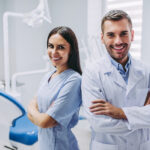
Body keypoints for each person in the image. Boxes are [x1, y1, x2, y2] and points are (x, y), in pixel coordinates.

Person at [82, 10, 150, 150]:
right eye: (111, 35)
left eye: (123, 33)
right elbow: (98, 123)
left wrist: (120, 112)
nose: (118, 41)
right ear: (102, 38)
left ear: (132, 35)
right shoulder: (92, 73)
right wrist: (142, 118)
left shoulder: (146, 71)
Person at [27, 26, 82, 150]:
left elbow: (45, 122)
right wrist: (36, 113)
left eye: (61, 47)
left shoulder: (74, 80)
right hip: (44, 144)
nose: (54, 52)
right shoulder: (49, 75)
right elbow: (33, 106)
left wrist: (32, 111)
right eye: (51, 46)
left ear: (71, 51)